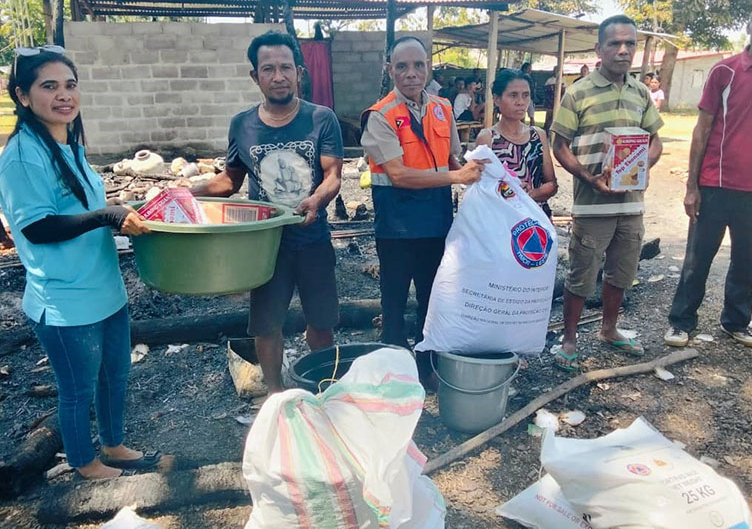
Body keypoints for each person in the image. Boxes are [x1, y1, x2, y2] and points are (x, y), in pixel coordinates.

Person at [0, 46, 160, 479]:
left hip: (105, 289)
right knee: (76, 389)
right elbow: (36, 227)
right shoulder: (22, 155)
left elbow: (83, 208)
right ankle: (84, 463)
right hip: (65, 300)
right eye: (49, 86)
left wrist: (130, 209)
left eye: (70, 85)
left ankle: (113, 445)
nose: (64, 95)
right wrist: (108, 216)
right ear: (23, 95)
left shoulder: (67, 144)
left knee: (115, 376)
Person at [192, 31, 344, 394]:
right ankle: (276, 395)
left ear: (299, 72)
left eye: (286, 68)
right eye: (269, 69)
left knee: (321, 323)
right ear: (255, 76)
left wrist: (316, 201)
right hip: (264, 245)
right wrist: (186, 193)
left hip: (312, 239)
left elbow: (333, 177)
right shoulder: (242, 125)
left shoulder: (321, 119)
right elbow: (230, 180)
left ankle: (324, 388)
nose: (279, 76)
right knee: (266, 325)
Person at [666, 0, 752, 349]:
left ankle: (736, 322)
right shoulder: (724, 71)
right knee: (697, 259)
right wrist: (692, 187)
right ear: (749, 26)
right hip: (716, 184)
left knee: (745, 260)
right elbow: (701, 130)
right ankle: (681, 322)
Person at [360, 36, 485, 386]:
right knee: (394, 303)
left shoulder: (443, 108)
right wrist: (457, 176)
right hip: (397, 227)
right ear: (390, 70)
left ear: (428, 67)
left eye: (418, 65)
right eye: (402, 66)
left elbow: (453, 160)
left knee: (434, 299)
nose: (411, 73)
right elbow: (398, 175)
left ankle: (428, 368)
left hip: (436, 222)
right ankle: (394, 376)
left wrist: (481, 172)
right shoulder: (380, 115)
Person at [551, 14, 664, 372]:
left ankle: (609, 329)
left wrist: (643, 167)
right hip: (592, 206)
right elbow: (559, 146)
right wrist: (588, 177)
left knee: (622, 271)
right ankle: (569, 339)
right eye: (615, 43)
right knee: (582, 274)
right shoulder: (578, 92)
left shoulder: (640, 92)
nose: (623, 50)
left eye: (630, 43)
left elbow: (655, 141)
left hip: (631, 205)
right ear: (599, 49)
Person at [475, 69, 558, 217]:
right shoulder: (488, 138)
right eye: (513, 95)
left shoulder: (538, 136)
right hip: (502, 220)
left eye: (526, 95)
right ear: (497, 99)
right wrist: (511, 192)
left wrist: (533, 193)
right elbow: (480, 188)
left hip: (536, 218)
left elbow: (552, 184)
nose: (520, 102)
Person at [543, 65, 566, 132]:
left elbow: (564, 90)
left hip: (559, 101)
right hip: (550, 102)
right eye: (556, 70)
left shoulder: (563, 80)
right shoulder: (550, 80)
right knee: (549, 117)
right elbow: (547, 90)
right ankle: (547, 130)